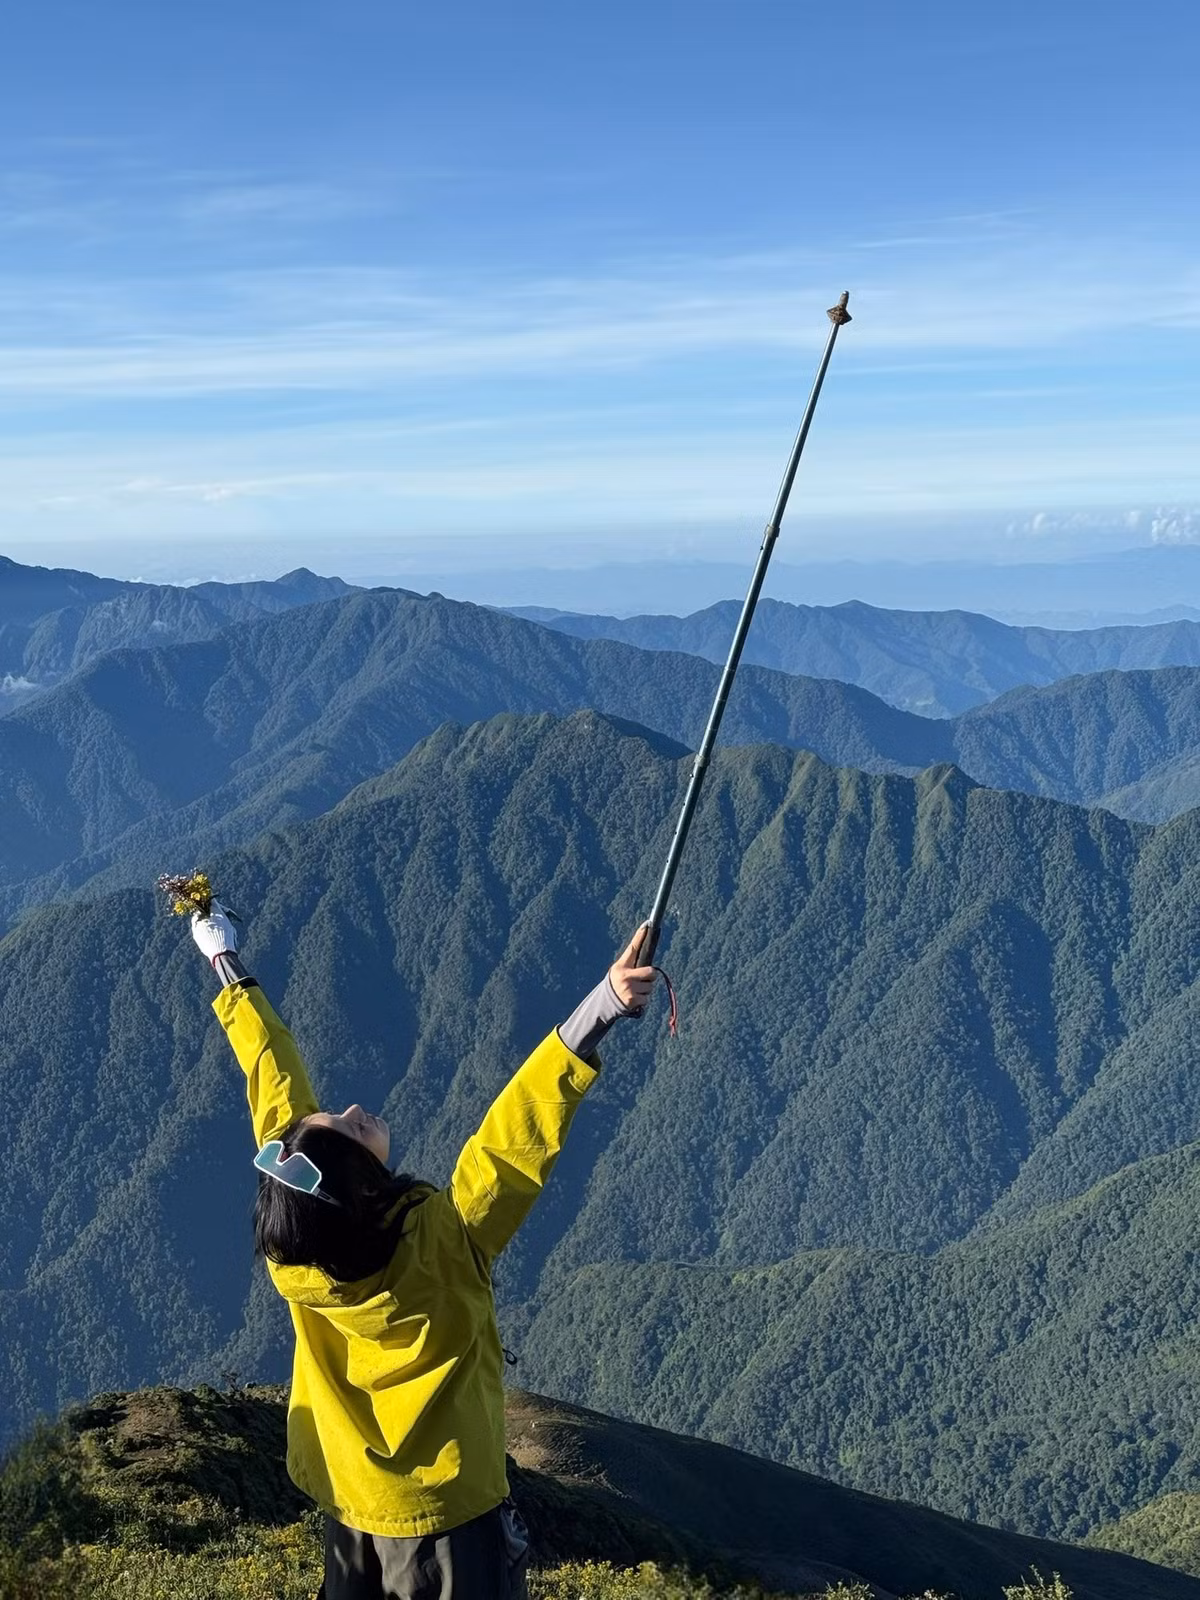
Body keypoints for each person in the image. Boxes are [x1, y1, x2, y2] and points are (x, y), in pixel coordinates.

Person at [189, 899, 657, 1600]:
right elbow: (513, 1138)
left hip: (350, 1506)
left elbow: (275, 1090)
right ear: (360, 1181)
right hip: (452, 1522)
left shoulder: (299, 1253)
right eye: (350, 1131)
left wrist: (226, 962)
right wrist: (602, 1007)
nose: (353, 1112)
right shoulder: (448, 1244)